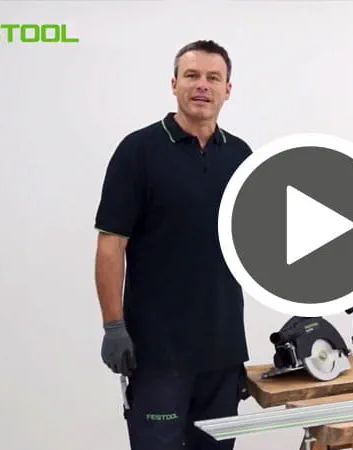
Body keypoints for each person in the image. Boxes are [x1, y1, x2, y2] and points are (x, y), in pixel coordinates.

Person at [93, 39, 252, 450]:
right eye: (192, 75)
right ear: (174, 84)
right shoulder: (139, 151)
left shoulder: (241, 156)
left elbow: (258, 243)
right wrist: (114, 326)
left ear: (227, 89)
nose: (202, 85)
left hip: (222, 351)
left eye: (213, 78)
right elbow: (111, 244)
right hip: (157, 353)